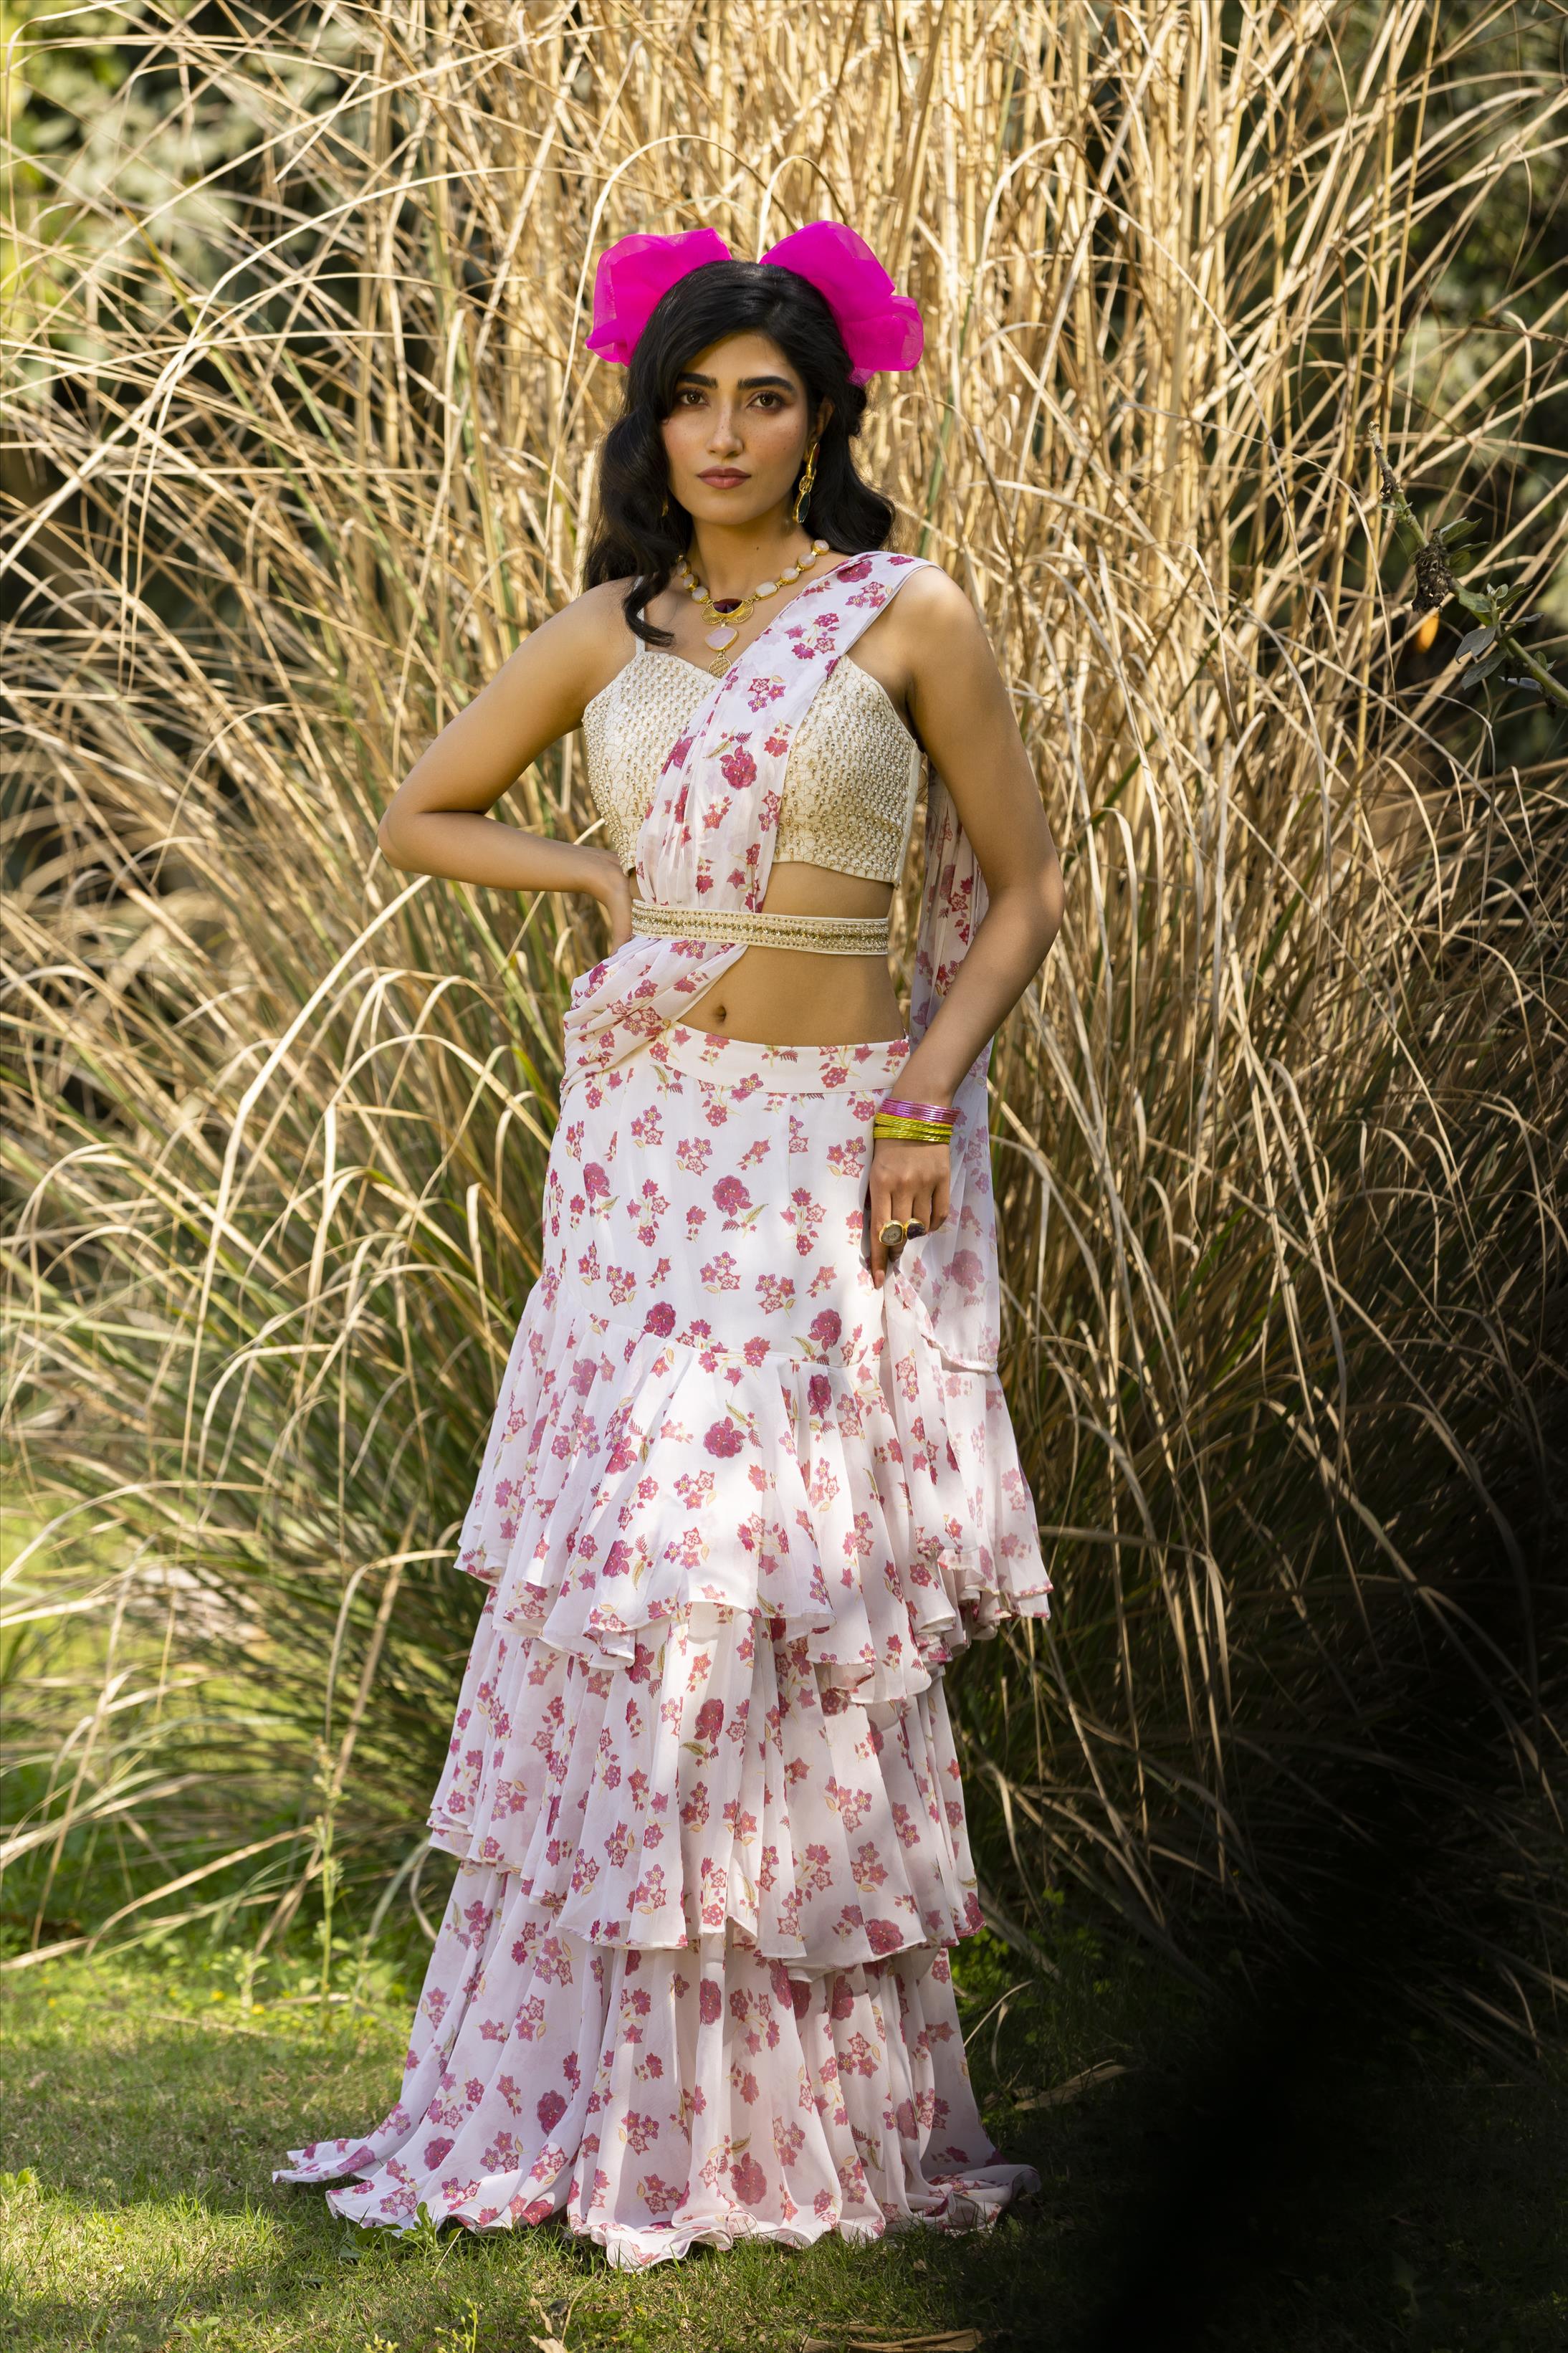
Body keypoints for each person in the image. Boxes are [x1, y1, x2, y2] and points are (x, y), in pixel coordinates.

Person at [276, 221, 1065, 2268]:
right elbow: (420, 810)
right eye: (694, 394)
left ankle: (794, 2126)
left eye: (766, 396)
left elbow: (1025, 885)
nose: (724, 429)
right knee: (629, 1593)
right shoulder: (603, 632)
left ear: (825, 422)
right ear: (657, 416)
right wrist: (581, 866)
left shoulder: (904, 614)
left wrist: (916, 1105)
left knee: (780, 1596)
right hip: (641, 1153)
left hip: (820, 1149)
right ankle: (575, 2096)